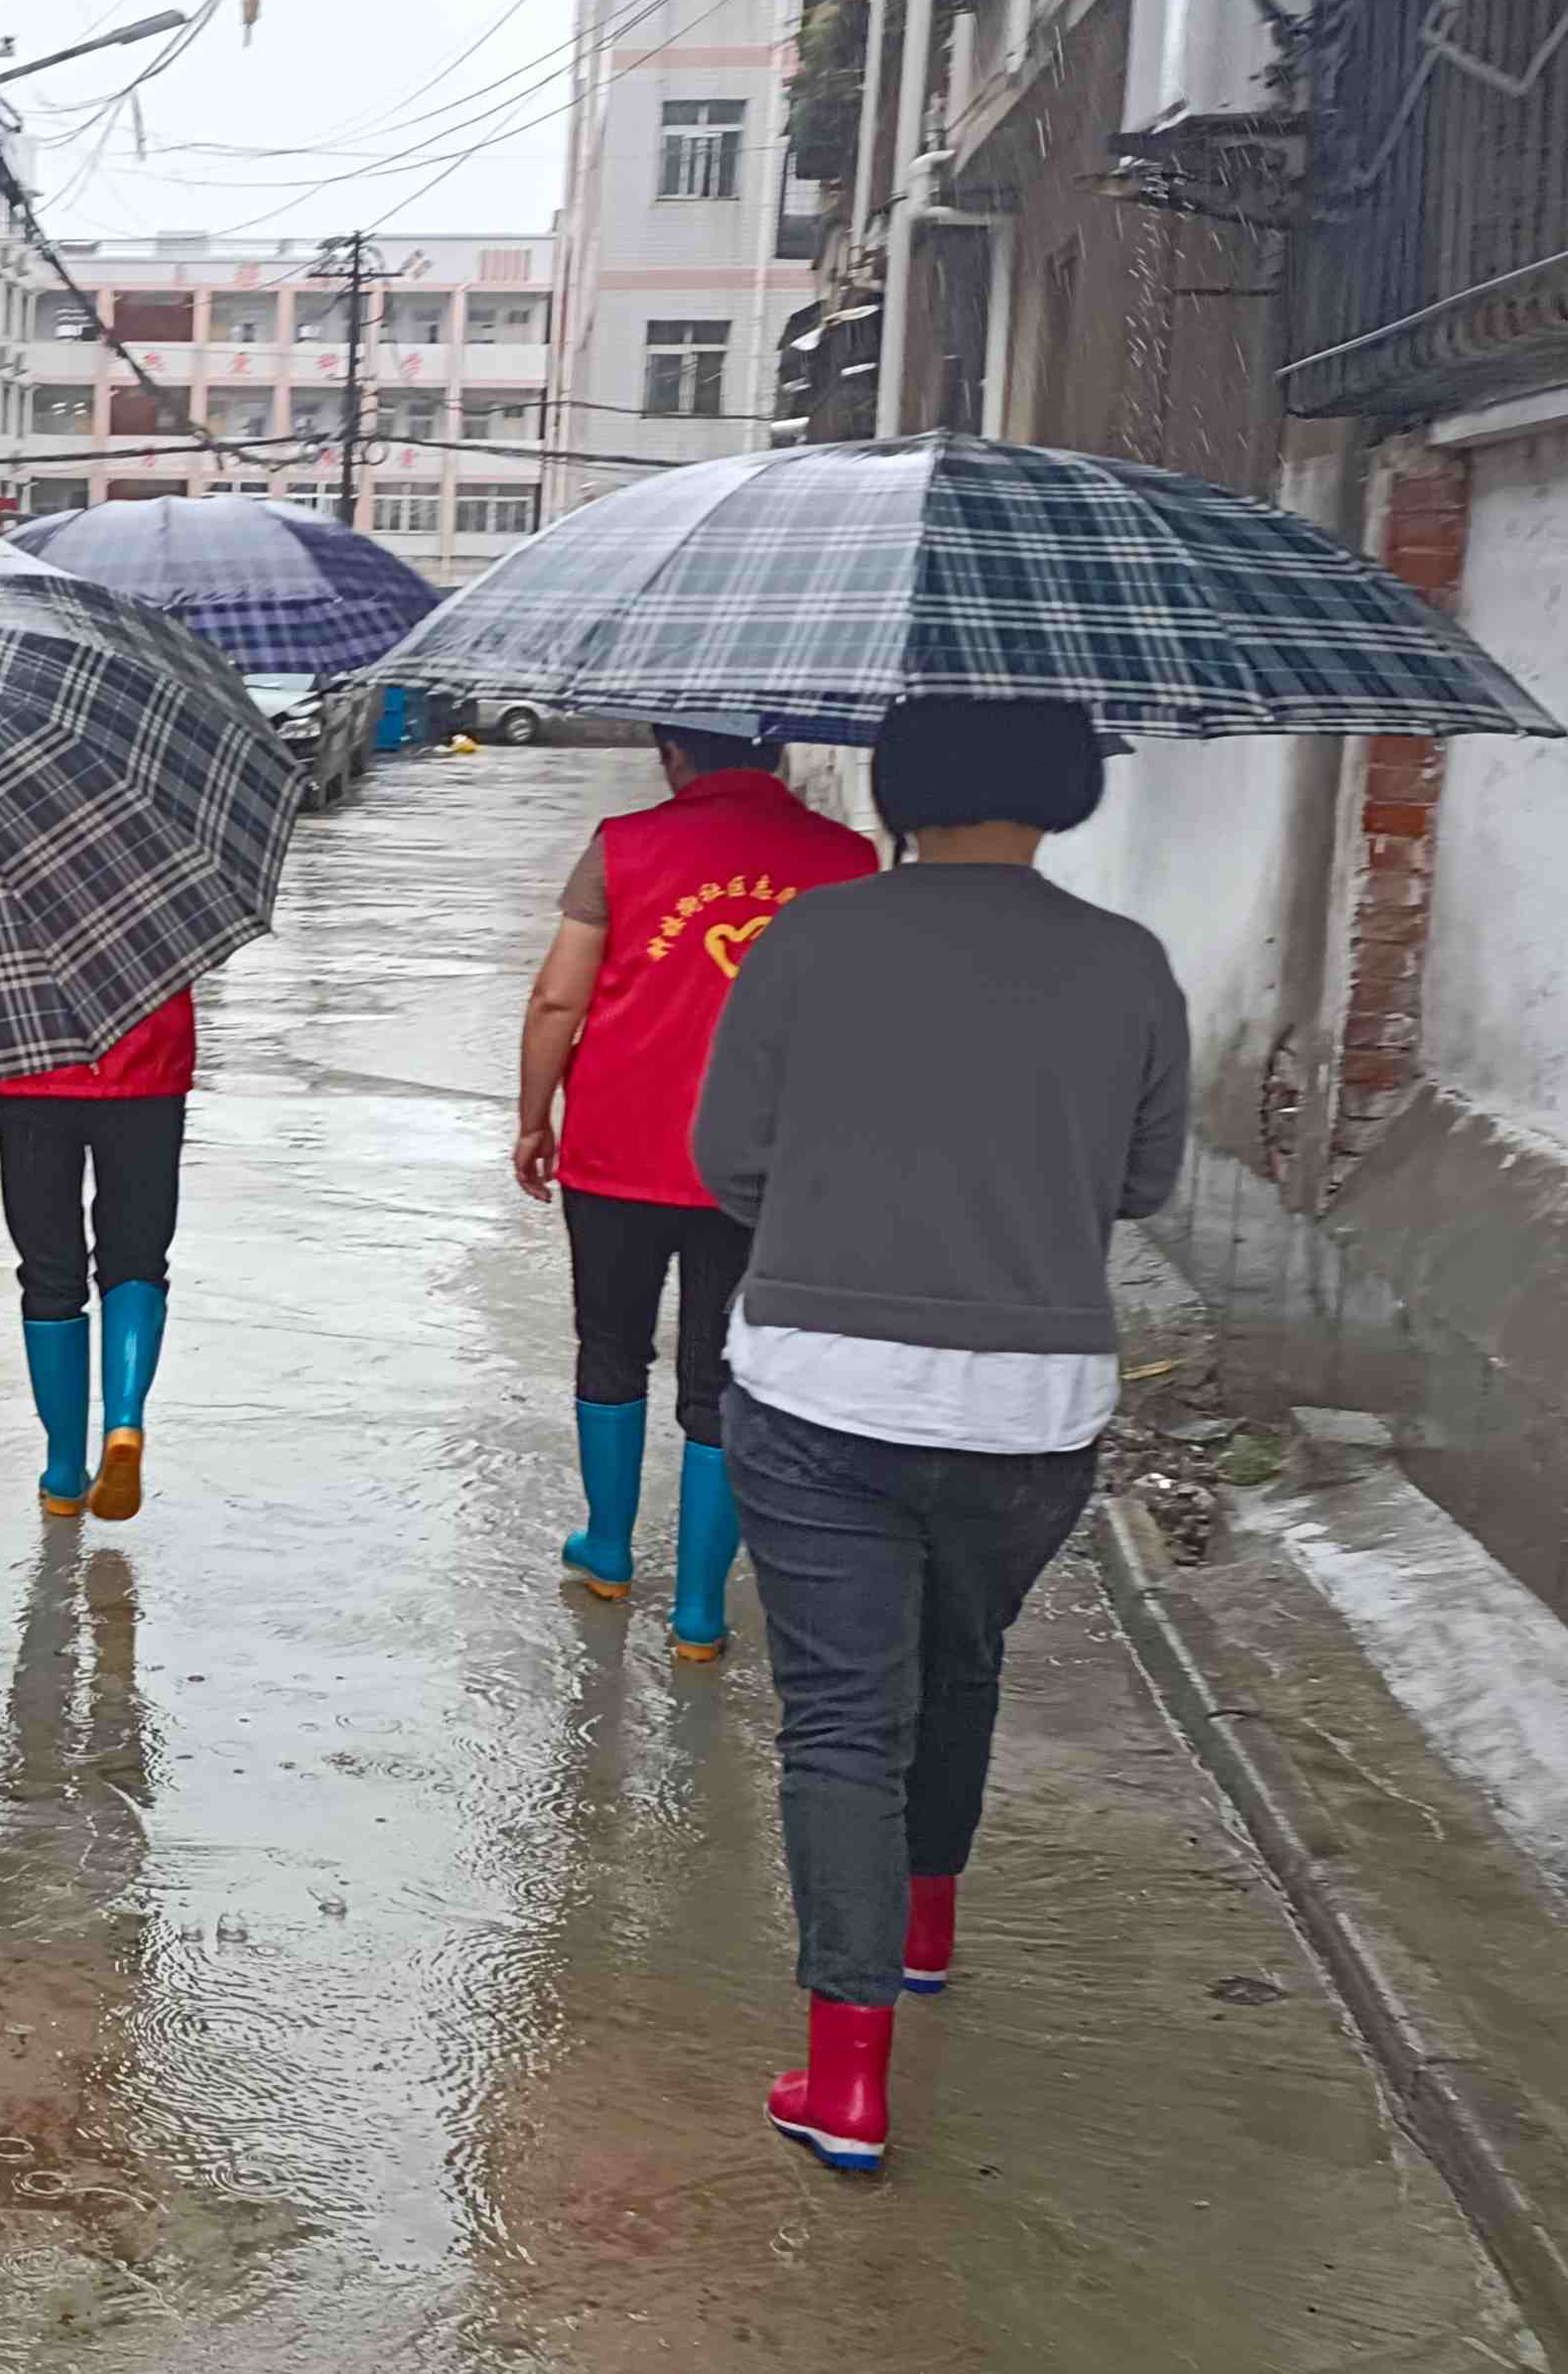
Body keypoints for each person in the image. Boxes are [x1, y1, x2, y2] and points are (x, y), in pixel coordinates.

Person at [691, 697, 1190, 2174]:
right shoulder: (1128, 963)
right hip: (1032, 1408)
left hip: (819, 1387)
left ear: (902, 783)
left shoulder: (809, 940)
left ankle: (848, 2081)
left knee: (846, 1716)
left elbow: (728, 1163)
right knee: (962, 1660)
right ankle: (924, 1928)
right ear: (1066, 786)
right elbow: (1144, 1181)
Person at [510, 725, 877, 1657]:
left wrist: (534, 1118)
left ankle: (608, 1550)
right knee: (725, 1375)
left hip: (617, 1152)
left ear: (674, 753)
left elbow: (558, 998)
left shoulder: (623, 846)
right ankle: (701, 1610)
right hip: (765, 1165)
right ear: (779, 754)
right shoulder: (846, 860)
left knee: (612, 1347)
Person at [0, 989, 194, 1522]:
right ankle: (124, 1422)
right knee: (137, 1259)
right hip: (148, 1060)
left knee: (49, 1275)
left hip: (26, 1054)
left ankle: (65, 1471)